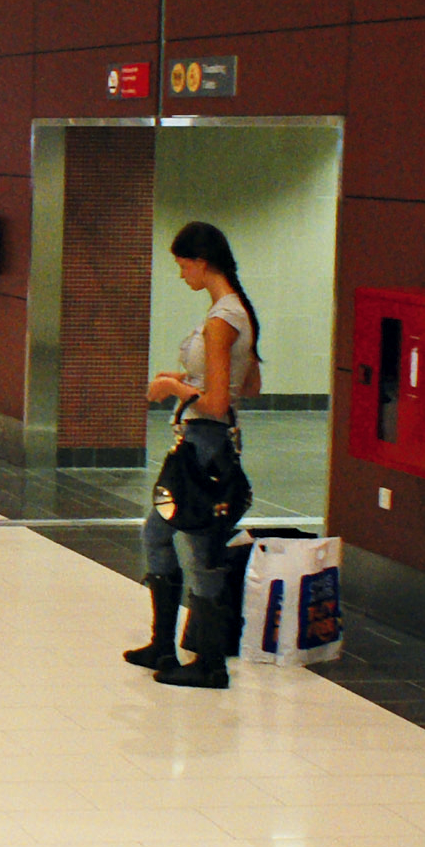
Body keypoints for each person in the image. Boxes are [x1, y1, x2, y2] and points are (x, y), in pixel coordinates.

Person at [131, 221, 264, 689]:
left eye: (182, 265)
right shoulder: (237, 312)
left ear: (201, 262)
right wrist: (192, 382)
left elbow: (218, 401)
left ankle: (209, 660)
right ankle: (164, 645)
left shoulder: (221, 319)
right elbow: (250, 384)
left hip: (204, 445)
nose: (181, 274)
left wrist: (172, 388)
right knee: (159, 531)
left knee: (199, 546)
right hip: (210, 441)